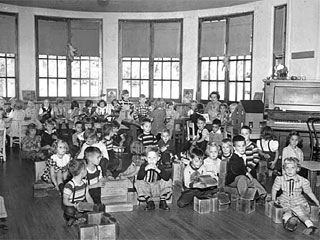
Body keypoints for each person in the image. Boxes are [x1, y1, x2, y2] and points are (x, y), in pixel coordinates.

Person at [271, 157, 320, 235]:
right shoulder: (280, 179)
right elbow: (275, 189)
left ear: (297, 169)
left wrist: (316, 200)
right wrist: (273, 199)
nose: (289, 170)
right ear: (284, 169)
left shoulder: (302, 180)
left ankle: (310, 226)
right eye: (287, 168)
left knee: (301, 213)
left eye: (292, 168)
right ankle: (290, 221)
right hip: (285, 198)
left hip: (298, 199)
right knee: (286, 211)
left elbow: (308, 192)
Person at [135, 146, 172, 211]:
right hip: (147, 188)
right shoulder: (144, 166)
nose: (151, 160)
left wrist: (158, 170)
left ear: (158, 158)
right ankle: (149, 201)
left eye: (154, 158)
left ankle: (162, 200)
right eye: (149, 158)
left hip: (157, 188)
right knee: (137, 182)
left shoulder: (160, 166)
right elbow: (139, 177)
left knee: (168, 180)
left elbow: (166, 177)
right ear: (146, 158)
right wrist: (145, 169)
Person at [63, 159, 93, 226]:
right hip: (72, 206)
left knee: (91, 208)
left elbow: (88, 197)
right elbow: (65, 201)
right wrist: (74, 205)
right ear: (82, 171)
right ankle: (73, 218)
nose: (87, 170)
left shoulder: (85, 183)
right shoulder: (69, 185)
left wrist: (91, 206)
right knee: (69, 210)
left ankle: (78, 218)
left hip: (81, 204)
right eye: (85, 169)